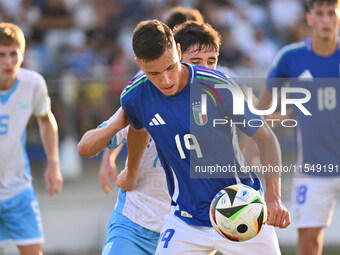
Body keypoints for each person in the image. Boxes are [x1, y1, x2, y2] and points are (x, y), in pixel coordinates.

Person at [117, 19, 290, 254]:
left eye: (170, 67)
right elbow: (137, 130)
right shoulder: (134, 97)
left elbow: (266, 138)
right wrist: (132, 171)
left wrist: (273, 197)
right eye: (154, 73)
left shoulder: (219, 86)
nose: (166, 80)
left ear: (177, 52)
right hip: (185, 219)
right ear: (139, 64)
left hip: (242, 208)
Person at [78, 20, 231, 255]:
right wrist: (116, 132)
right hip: (135, 223)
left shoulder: (219, 103)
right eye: (196, 62)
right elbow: (86, 147)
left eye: (211, 62)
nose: (206, 70)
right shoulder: (145, 100)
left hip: (190, 231)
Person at [257, 1, 340, 254]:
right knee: (307, 245)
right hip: (314, 168)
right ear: (310, 18)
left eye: (331, 13)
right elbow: (260, 113)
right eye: (320, 14)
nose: (326, 19)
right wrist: (284, 116)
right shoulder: (290, 58)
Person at [0, 23, 63, 255]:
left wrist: (53, 164)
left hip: (18, 188)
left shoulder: (33, 84)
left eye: (13, 53)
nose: (8, 61)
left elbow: (46, 120)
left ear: (22, 54)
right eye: (1, 55)